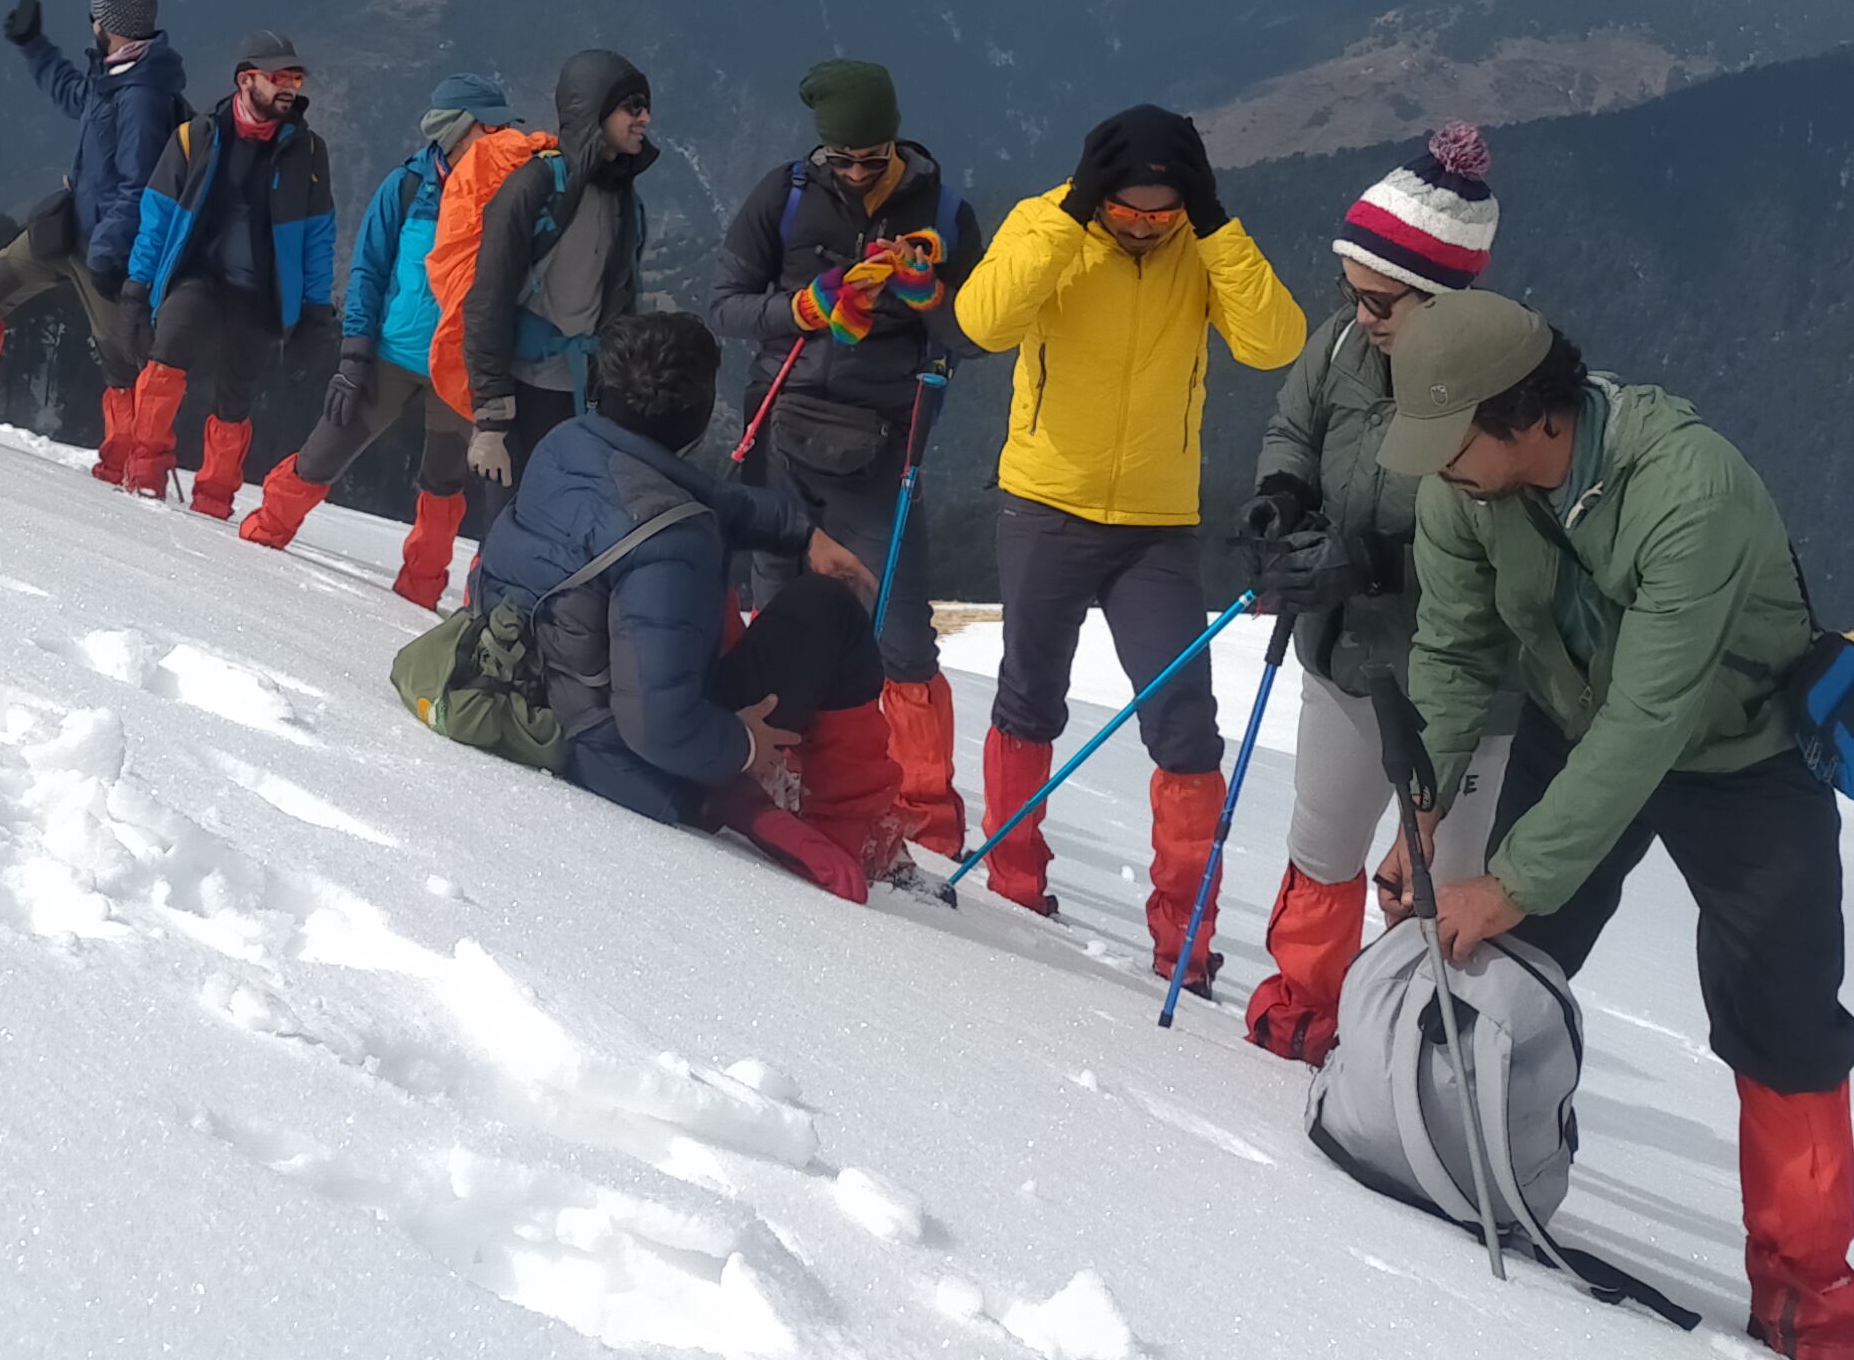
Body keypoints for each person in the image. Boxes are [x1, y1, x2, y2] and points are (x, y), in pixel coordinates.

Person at [1381, 288, 1854, 1360]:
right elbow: (1455, 651)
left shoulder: (1688, 489)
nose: (1435, 467)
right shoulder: (1463, 488)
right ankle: (1454, 1160)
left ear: (1525, 420)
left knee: (1784, 1022)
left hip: (1745, 759)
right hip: (1575, 720)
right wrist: (1422, 800)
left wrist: (1504, 881)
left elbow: (1652, 720)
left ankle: (1812, 1319)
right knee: (1499, 963)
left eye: (1450, 441)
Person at [953, 105, 1308, 985]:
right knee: (1029, 697)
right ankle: (1014, 881)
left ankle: (1183, 941)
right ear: (1098, 191)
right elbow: (983, 322)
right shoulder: (1048, 224)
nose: (1146, 226)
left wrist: (1217, 226)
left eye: (1165, 210)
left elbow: (1276, 343)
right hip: (1046, 501)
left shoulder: (1201, 243)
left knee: (1186, 725)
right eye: (1129, 209)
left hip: (1155, 522)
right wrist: (1073, 219)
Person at [1234, 125, 1512, 1063]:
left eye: (1381, 300)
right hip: (1343, 651)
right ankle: (1302, 1007)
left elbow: (1502, 539)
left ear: (1441, 295)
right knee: (1325, 837)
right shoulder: (1345, 346)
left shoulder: (1496, 385)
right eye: (1353, 293)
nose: (1361, 315)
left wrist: (1378, 563)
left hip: (1466, 681)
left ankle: (1402, 1046)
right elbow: (1293, 427)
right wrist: (1283, 499)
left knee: (1441, 872)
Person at [470, 311, 909, 901]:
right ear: (699, 415)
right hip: (626, 762)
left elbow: (696, 497)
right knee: (830, 613)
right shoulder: (673, 541)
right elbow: (660, 727)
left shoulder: (568, 444)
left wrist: (801, 534)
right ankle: (858, 835)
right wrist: (741, 743)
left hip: (533, 688)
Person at [707, 57, 986, 860]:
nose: (860, 172)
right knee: (782, 616)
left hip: (881, 442)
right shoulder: (785, 194)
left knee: (899, 637)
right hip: (785, 431)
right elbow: (724, 305)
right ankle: (776, 781)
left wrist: (930, 295)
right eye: (845, 159)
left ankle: (924, 821)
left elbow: (974, 335)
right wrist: (807, 308)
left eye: (875, 156)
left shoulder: (945, 210)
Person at [238, 72, 512, 604]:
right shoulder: (407, 186)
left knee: (444, 483)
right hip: (389, 355)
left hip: (457, 368)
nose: (501, 137)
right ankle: (259, 538)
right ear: (460, 128)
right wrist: (354, 354)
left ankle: (420, 593)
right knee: (323, 452)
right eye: (491, 126)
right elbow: (368, 271)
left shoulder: (506, 193)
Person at [0, 0, 184, 464]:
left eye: (94, 17)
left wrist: (106, 255)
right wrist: (34, 45)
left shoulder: (142, 97)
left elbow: (139, 188)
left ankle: (126, 465)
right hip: (68, 230)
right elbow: (73, 94)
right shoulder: (116, 78)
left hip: (106, 254)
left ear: (106, 24)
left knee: (122, 363)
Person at [113, 30, 340, 512]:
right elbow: (156, 219)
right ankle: (145, 466)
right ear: (245, 80)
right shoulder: (197, 136)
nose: (291, 88)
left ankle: (215, 497)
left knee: (237, 398)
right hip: (200, 276)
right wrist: (136, 292)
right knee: (165, 356)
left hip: (260, 292)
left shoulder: (310, 153)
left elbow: (318, 241)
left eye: (295, 77)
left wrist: (316, 318)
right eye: (278, 77)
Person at [455, 47, 656, 493]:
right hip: (522, 396)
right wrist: (491, 418)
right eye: (632, 107)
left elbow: (621, 300)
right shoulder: (535, 187)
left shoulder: (623, 197)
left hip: (586, 397)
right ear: (595, 109)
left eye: (645, 106)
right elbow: (488, 300)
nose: (644, 119)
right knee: (510, 539)